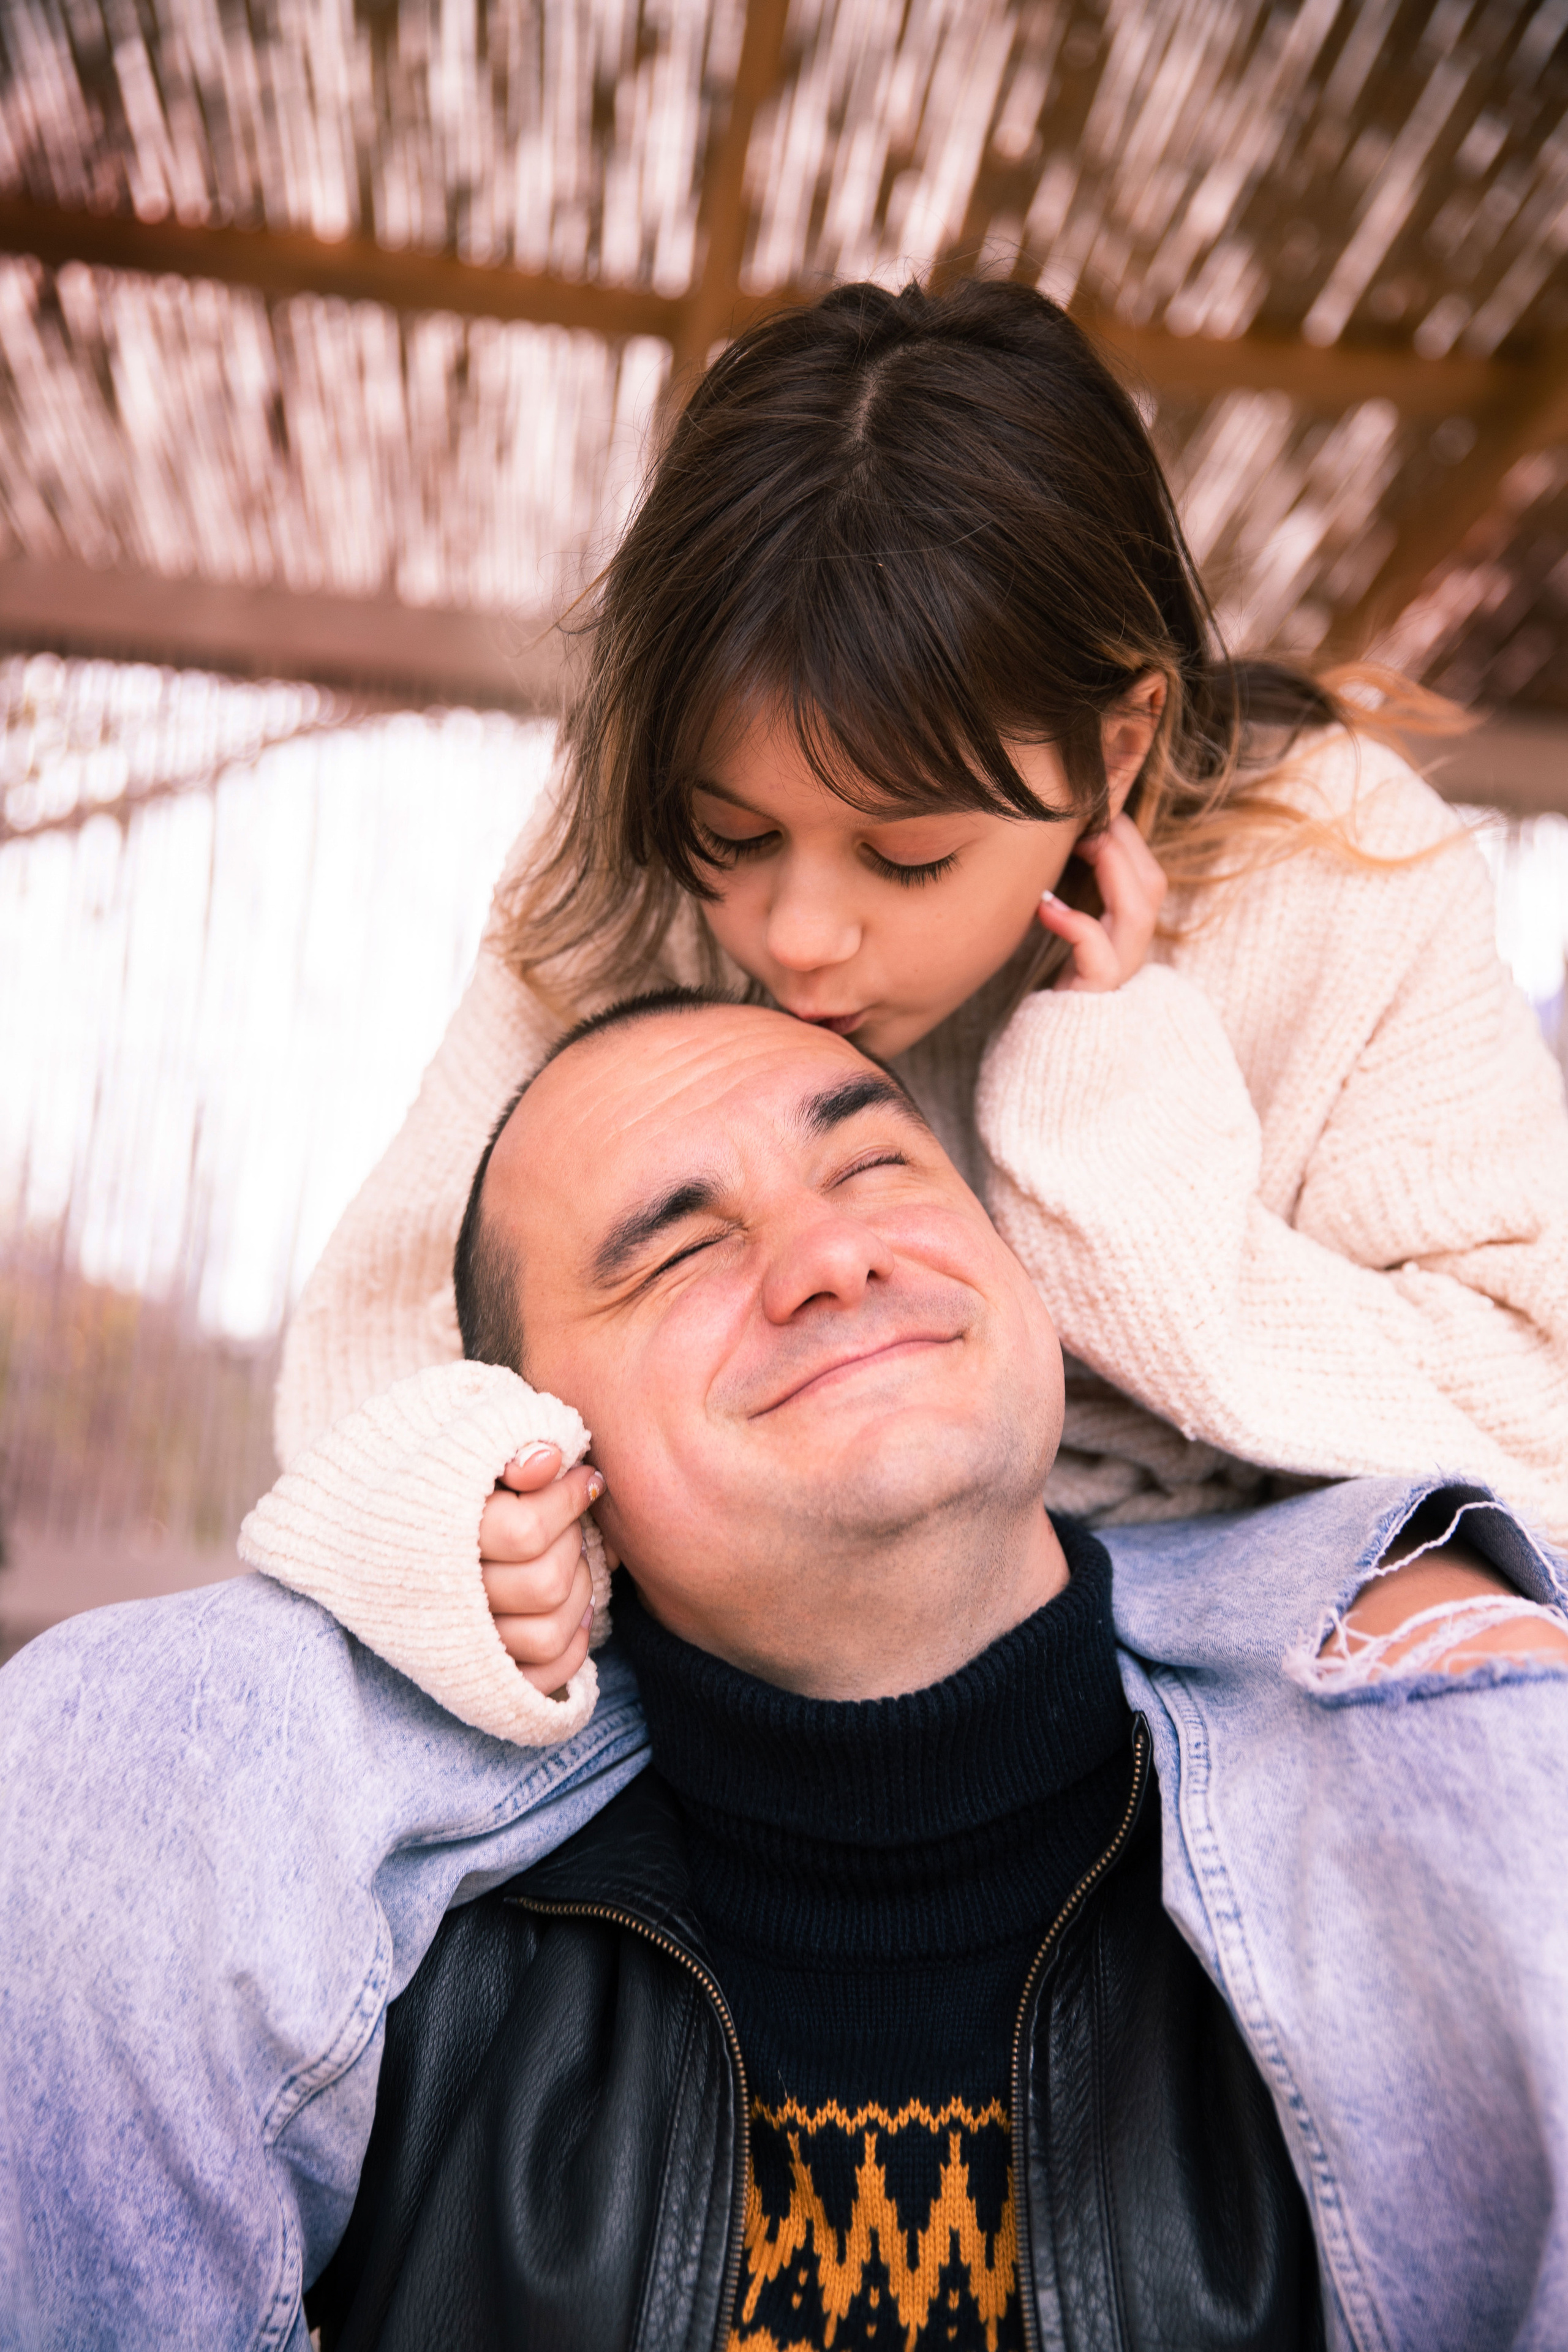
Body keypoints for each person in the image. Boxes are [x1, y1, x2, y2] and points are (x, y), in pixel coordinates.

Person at [303, 990, 1325, 2351]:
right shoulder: (375, 2012)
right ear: (528, 1440)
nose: (830, 1255)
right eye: (674, 1252)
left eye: (874, 1166)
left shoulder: (1404, 1879)